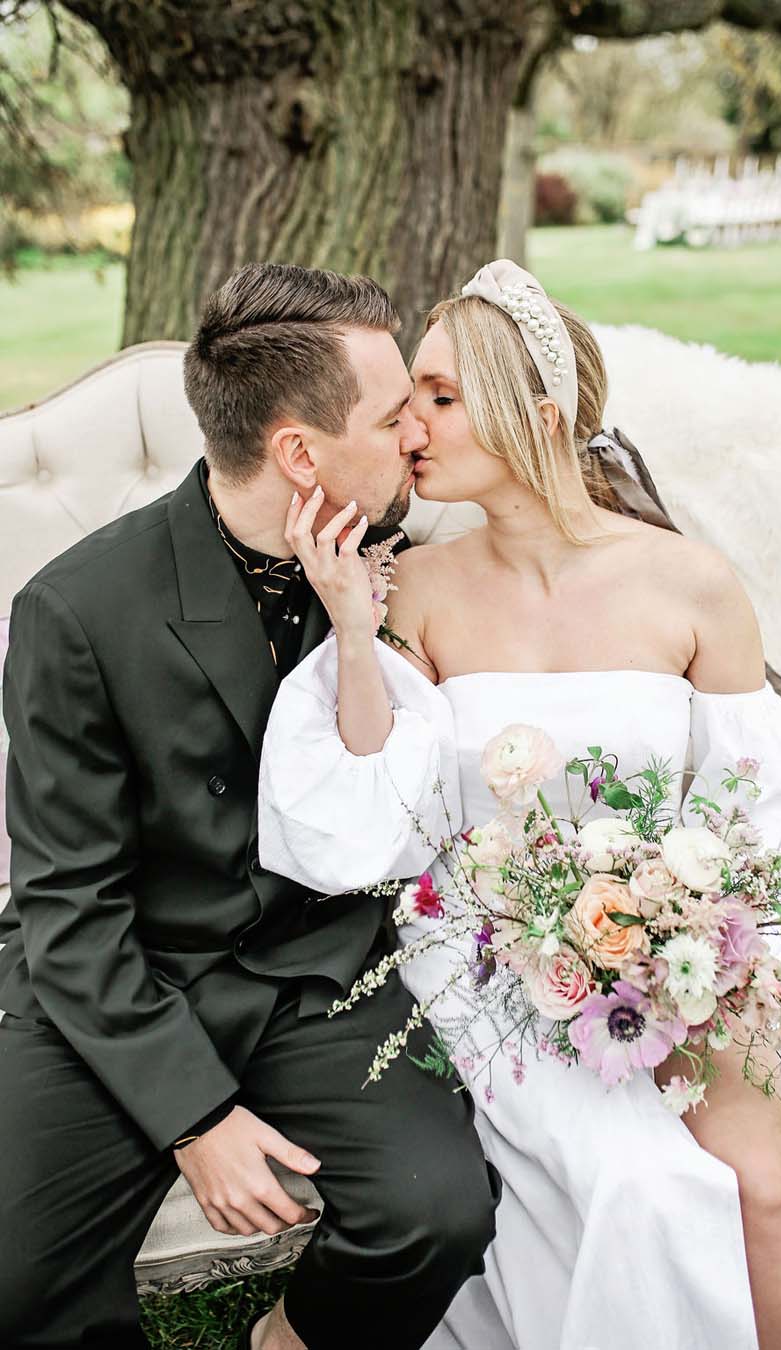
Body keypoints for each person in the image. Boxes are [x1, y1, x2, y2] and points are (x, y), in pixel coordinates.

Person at [258, 259, 781, 1350]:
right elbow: (372, 806)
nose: (409, 425)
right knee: (645, 1188)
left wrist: (719, 952)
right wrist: (354, 635)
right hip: (494, 953)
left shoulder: (690, 582)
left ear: (540, 417)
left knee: (779, 1175)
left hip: (689, 942)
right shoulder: (410, 586)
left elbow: (766, 810)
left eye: (441, 398)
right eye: (407, 397)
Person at [0, 262, 499, 1350]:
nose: (416, 432)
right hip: (133, 974)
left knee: (437, 1213)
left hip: (317, 970)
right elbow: (69, 906)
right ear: (299, 453)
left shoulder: (398, 573)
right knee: (14, 1287)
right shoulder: (75, 613)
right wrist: (194, 1118)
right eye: (390, 413)